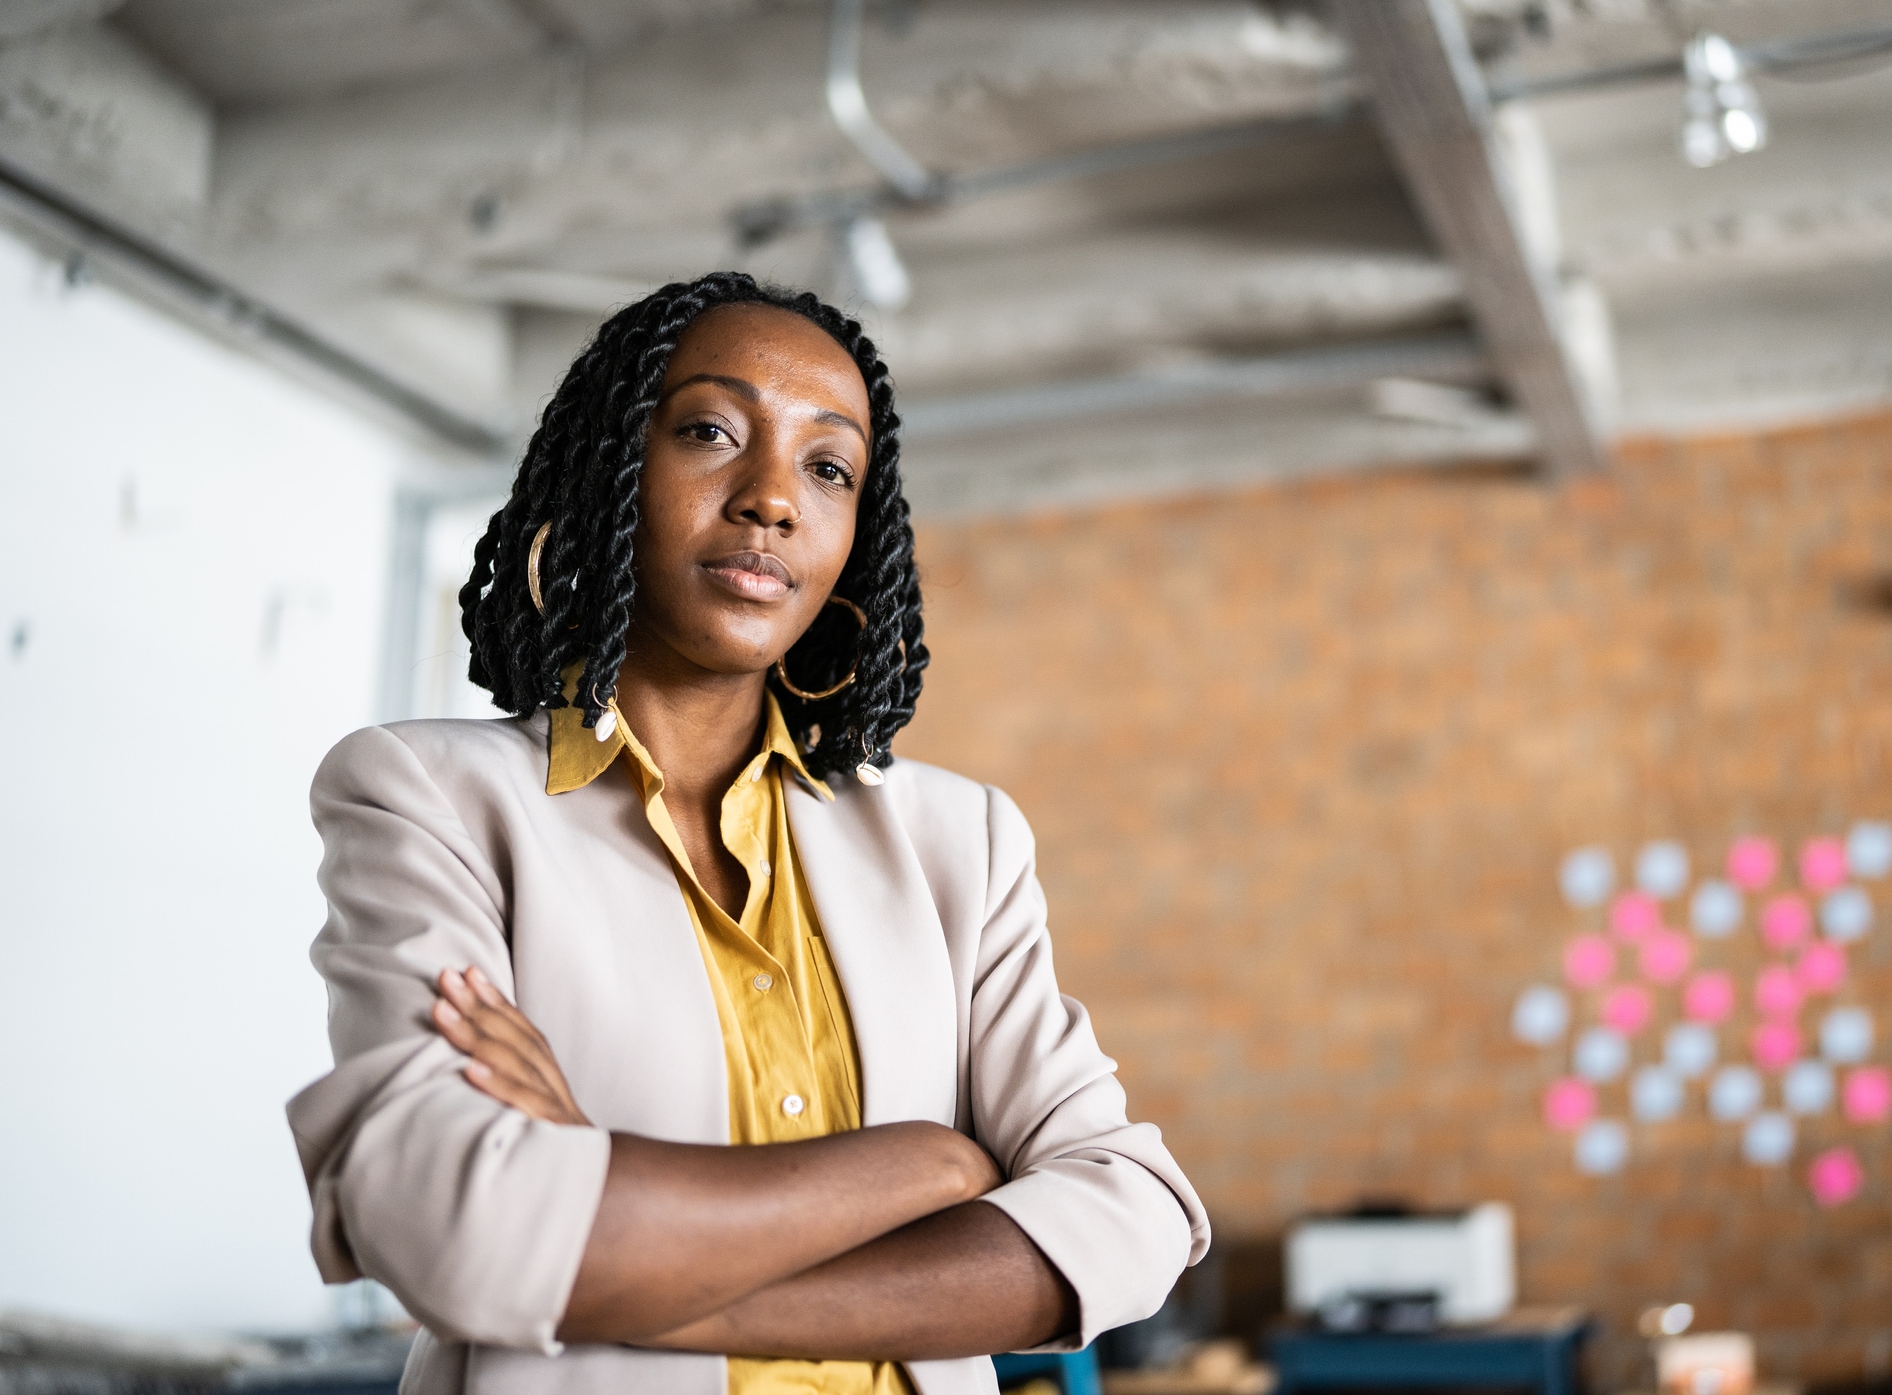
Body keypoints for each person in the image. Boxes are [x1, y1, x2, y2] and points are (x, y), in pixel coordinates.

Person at [287, 274, 1209, 1395]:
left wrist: (632, 1249)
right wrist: (924, 1162)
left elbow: (1131, 1213)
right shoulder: (427, 798)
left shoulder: (958, 844)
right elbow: (448, 1220)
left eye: (829, 467)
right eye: (712, 432)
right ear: (610, 474)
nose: (773, 498)